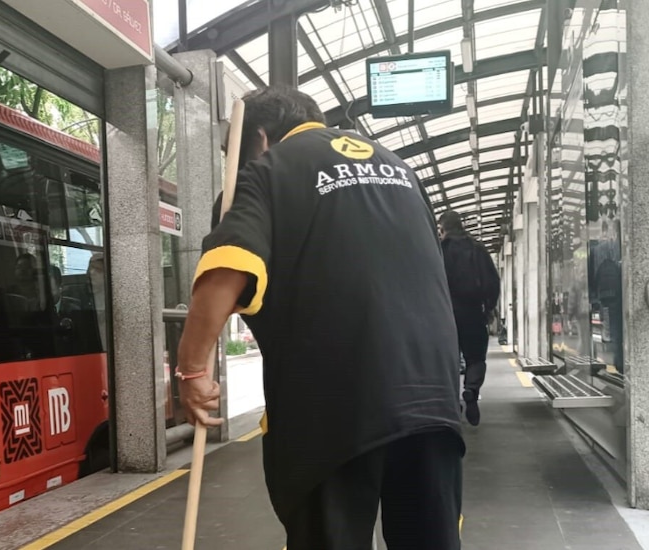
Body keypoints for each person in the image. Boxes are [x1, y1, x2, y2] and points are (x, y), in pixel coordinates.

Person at [176, 86, 464, 550]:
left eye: (233, 151)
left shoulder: (270, 170)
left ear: (260, 139)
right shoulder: (401, 169)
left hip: (335, 407)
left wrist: (191, 370)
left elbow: (228, 265)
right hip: (432, 397)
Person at [439, 210, 501, 426]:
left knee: (448, 359)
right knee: (476, 358)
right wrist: (490, 307)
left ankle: (451, 401)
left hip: (444, 313)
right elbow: (493, 281)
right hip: (474, 311)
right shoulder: (477, 249)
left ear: (443, 228)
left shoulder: (439, 250)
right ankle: (471, 391)